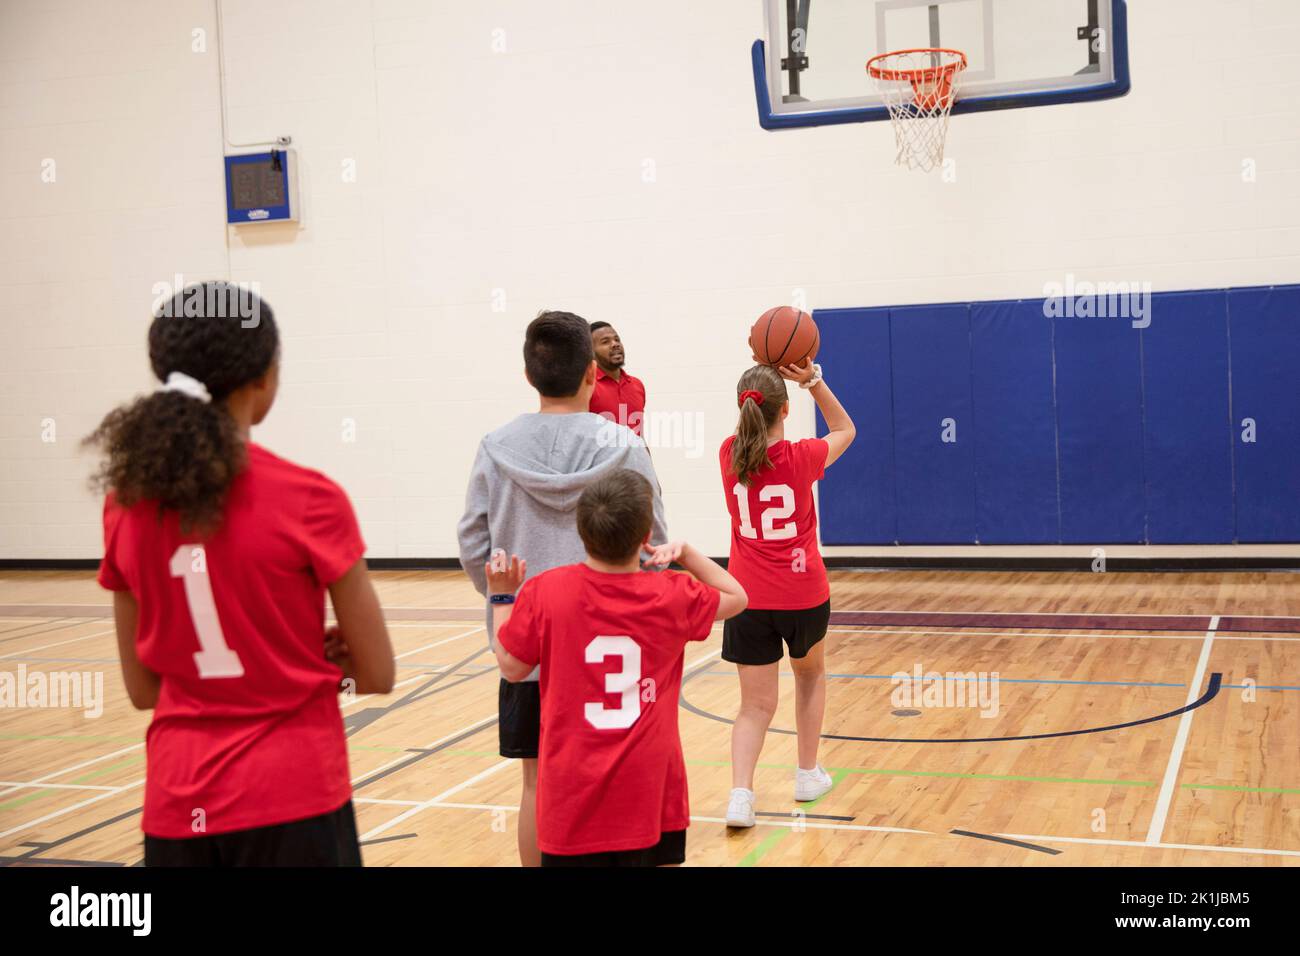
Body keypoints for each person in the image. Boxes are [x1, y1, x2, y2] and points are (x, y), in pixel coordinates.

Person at [86, 280, 394, 866]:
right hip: (296, 799)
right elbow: (377, 673)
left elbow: (142, 689)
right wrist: (320, 662)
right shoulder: (313, 499)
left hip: (179, 805)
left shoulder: (124, 505)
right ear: (264, 378)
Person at [457, 310, 667, 867]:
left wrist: (506, 600)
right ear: (592, 375)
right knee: (617, 785)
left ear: (529, 377)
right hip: (612, 652)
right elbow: (657, 547)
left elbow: (471, 541)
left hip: (526, 651)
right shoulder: (624, 448)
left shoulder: (494, 446)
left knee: (536, 786)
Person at [486, 469, 747, 866]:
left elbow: (511, 667)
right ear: (645, 537)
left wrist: (502, 596)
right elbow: (737, 596)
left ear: (582, 530)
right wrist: (686, 552)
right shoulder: (672, 595)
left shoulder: (547, 591)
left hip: (571, 793)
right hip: (649, 790)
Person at [718, 359, 856, 827]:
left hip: (746, 596)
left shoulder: (728, 454)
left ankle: (740, 796)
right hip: (803, 593)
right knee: (810, 677)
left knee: (754, 705)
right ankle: (805, 773)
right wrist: (814, 380)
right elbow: (846, 428)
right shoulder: (802, 456)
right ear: (785, 411)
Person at [588, 321, 647, 436]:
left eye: (617, 339)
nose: (615, 344)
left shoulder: (637, 385)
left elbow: (639, 435)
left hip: (636, 454)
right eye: (605, 342)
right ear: (591, 352)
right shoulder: (586, 387)